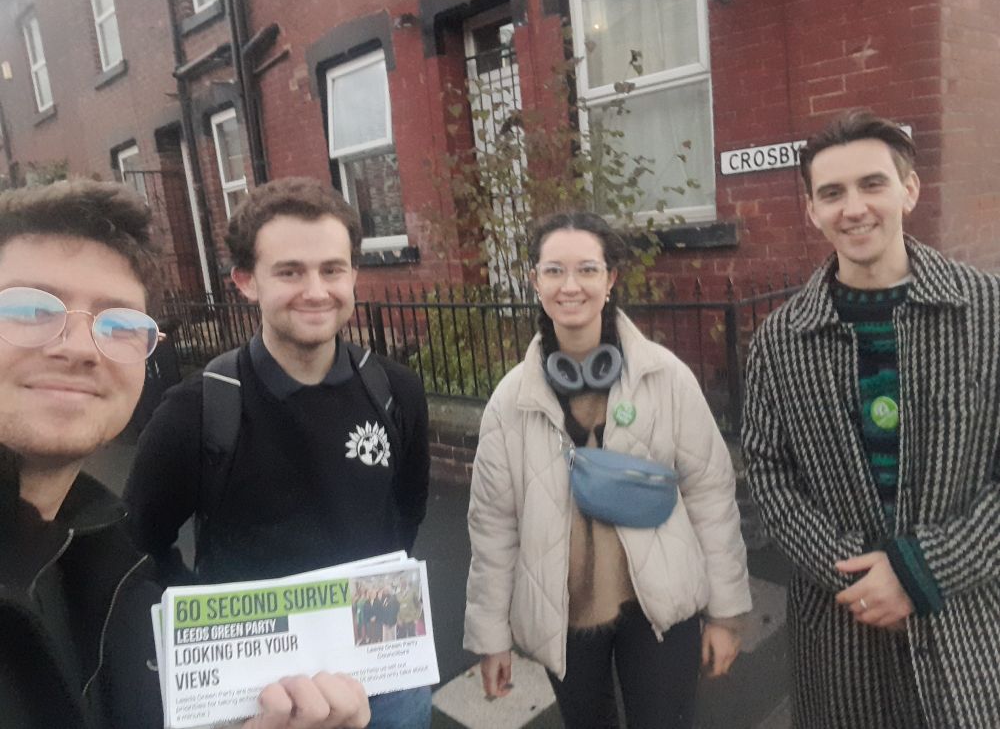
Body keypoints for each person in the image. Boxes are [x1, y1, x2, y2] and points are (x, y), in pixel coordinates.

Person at [0, 180, 370, 729]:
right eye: (31, 310)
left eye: (118, 323)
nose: (79, 348)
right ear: (246, 282)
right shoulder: (195, 411)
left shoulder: (103, 561)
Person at [124, 177, 432, 728]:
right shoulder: (195, 410)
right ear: (246, 281)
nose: (315, 290)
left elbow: (406, 514)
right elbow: (141, 541)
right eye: (290, 272)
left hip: (383, 671)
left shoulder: (396, 391)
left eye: (332, 270)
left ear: (353, 276)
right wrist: (203, 616)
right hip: (256, 695)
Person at [741, 109, 1000, 729]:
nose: (853, 208)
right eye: (832, 193)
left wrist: (920, 570)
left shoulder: (988, 313)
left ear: (909, 190)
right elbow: (769, 474)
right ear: (812, 210)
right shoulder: (780, 340)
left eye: (872, 184)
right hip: (840, 634)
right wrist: (853, 571)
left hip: (967, 623)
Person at [464, 212, 752, 729]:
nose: (570, 285)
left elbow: (710, 493)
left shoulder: (665, 377)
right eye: (554, 270)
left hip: (661, 607)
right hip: (564, 614)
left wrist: (725, 613)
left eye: (587, 269)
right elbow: (493, 528)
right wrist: (492, 639)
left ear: (611, 278)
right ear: (534, 281)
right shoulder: (510, 402)